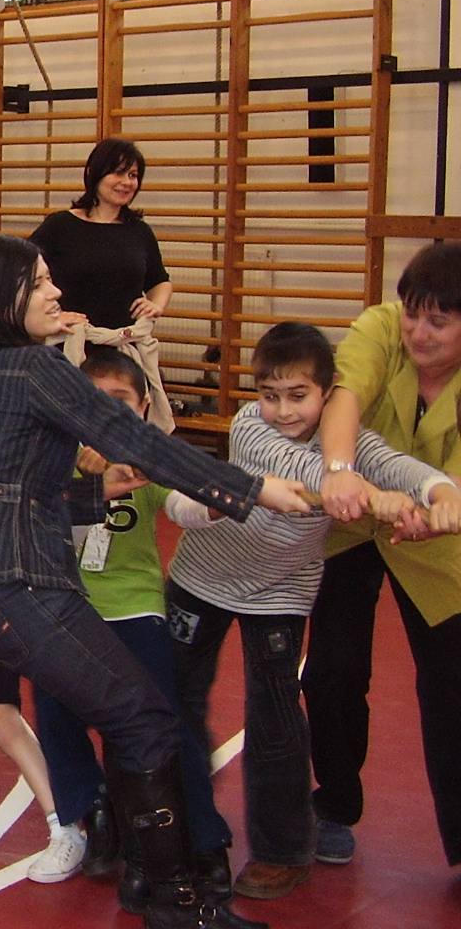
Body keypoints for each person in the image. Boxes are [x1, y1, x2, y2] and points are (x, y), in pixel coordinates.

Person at [0, 233, 310, 929]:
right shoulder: (32, 366)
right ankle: (176, 901)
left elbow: (5, 488)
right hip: (11, 584)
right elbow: (133, 435)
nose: (56, 292)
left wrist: (93, 491)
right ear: (3, 298)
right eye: (40, 282)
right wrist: (252, 488)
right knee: (144, 720)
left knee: (140, 718)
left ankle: (156, 885)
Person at [164, 322, 459, 902]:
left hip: (281, 593)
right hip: (202, 582)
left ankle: (281, 849)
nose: (282, 410)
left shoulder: (352, 446)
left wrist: (439, 492)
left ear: (329, 395)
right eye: (269, 394)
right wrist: (375, 498)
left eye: (298, 396)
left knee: (276, 719)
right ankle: (177, 826)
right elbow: (301, 478)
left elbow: (399, 466)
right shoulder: (250, 428)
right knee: (175, 702)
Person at [30, 353, 243, 915]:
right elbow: (40, 524)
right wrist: (90, 483)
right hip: (65, 605)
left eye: (120, 401)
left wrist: (216, 504)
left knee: (160, 723)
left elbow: (182, 504)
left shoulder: (146, 455)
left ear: (143, 409)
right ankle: (94, 810)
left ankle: (203, 838)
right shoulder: (53, 458)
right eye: (92, 399)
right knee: (53, 708)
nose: (104, 412)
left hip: (134, 606)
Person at [305, 240, 461, 870]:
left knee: (452, 688)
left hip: (439, 545)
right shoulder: (380, 328)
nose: (419, 332)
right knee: (333, 671)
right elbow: (344, 395)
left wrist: (433, 516)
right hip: (353, 520)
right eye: (413, 314)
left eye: (439, 322)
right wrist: (340, 471)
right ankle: (335, 805)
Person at [29, 137, 171, 331]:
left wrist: (156, 305)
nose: (127, 182)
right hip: (71, 339)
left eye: (133, 175)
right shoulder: (60, 225)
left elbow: (159, 282)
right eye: (118, 172)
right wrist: (51, 316)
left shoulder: (140, 231)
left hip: (124, 341)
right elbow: (22, 273)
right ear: (94, 173)